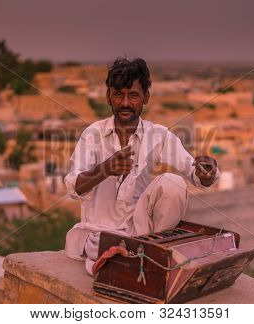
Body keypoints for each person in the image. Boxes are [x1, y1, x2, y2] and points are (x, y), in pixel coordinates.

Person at [64, 58, 220, 275]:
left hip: (142, 234)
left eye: (133, 95)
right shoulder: (93, 134)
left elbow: (195, 173)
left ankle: (155, 253)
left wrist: (207, 172)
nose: (125, 102)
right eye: (118, 94)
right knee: (103, 247)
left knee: (173, 182)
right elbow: (73, 187)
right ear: (109, 96)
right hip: (100, 234)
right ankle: (130, 258)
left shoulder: (158, 135)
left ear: (145, 97)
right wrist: (105, 169)